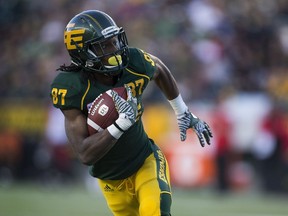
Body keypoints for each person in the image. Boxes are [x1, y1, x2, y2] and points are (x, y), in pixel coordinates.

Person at [50, 10, 212, 216]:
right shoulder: (72, 87)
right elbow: (84, 153)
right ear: (83, 52)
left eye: (114, 41)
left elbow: (159, 69)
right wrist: (119, 125)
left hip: (145, 161)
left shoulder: (133, 62)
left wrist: (182, 111)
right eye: (104, 45)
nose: (115, 49)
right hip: (110, 181)